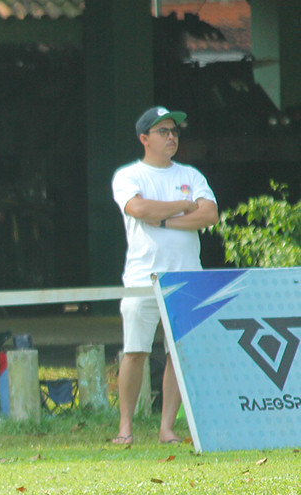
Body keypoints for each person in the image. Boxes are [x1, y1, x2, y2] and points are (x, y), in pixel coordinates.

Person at [111, 106, 218, 445]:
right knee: (135, 351)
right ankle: (125, 427)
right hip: (144, 276)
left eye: (174, 130)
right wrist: (183, 205)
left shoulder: (191, 174)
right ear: (144, 139)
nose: (171, 136)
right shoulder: (128, 176)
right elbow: (139, 209)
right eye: (163, 131)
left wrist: (164, 219)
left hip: (187, 277)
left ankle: (166, 428)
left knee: (179, 353)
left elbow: (210, 215)